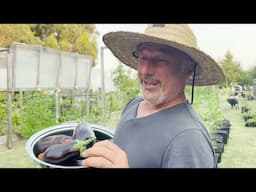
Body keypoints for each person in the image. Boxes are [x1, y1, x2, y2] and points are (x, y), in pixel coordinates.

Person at [81, 24, 225, 168]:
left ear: (187, 68)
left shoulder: (188, 138)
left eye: (160, 60)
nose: (145, 70)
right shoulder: (133, 106)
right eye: (143, 58)